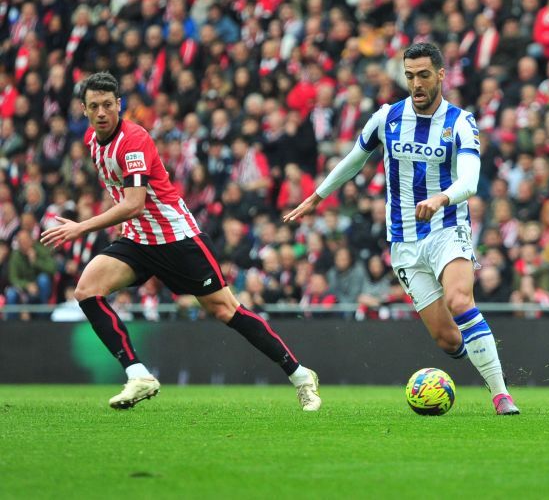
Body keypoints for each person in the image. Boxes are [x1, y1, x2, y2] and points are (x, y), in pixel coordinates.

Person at [40, 72, 321, 411]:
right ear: (84, 110)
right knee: (86, 290)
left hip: (177, 238)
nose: (102, 112)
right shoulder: (92, 141)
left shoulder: (134, 139)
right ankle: (138, 374)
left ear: (120, 105)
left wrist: (81, 227)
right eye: (94, 106)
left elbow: (134, 203)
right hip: (139, 239)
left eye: (108, 105)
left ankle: (301, 376)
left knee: (225, 310)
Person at [285, 43, 520, 415]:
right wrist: (317, 197)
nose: (416, 84)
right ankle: (475, 352)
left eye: (424, 75)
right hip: (404, 241)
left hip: (447, 227)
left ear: (441, 75)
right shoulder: (387, 118)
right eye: (410, 76)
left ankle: (500, 393)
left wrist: (441, 199)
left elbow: (472, 181)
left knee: (461, 300)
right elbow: (354, 160)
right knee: (446, 339)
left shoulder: (460, 122)